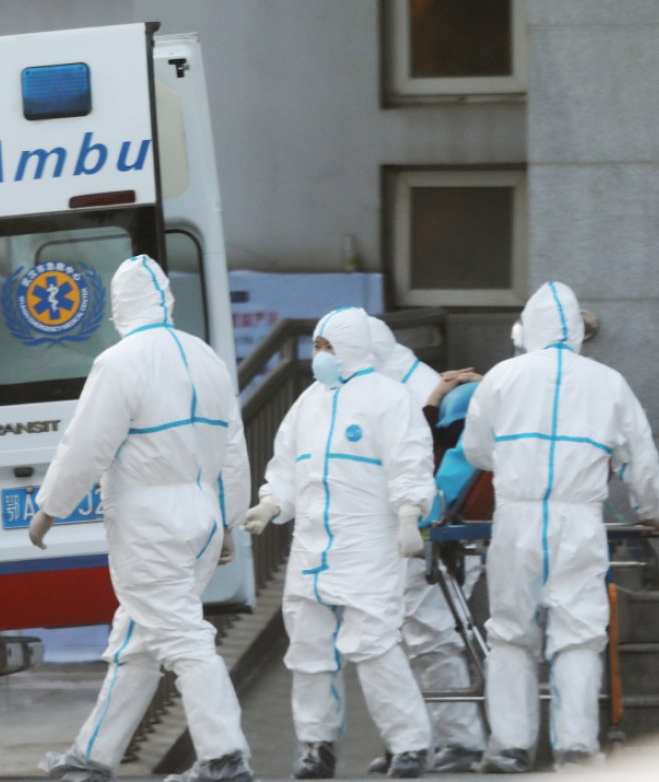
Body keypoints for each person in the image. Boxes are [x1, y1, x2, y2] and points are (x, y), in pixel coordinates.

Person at [30, 255, 254, 782]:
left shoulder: (121, 361)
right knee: (136, 641)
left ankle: (224, 756)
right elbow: (234, 449)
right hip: (200, 516)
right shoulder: (206, 359)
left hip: (150, 523)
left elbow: (86, 443)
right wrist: (228, 521)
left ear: (121, 305)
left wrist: (50, 508)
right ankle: (92, 758)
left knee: (180, 638)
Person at [461, 282, 659, 772]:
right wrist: (651, 509)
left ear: (528, 327)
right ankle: (576, 747)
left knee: (511, 631)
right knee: (577, 632)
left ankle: (510, 745)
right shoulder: (608, 381)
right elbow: (638, 455)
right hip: (578, 519)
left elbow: (475, 448)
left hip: (516, 515)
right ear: (578, 329)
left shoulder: (502, 376)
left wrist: (517, 464)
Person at [242, 307, 434, 779]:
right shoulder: (308, 402)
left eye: (327, 346)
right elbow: (286, 465)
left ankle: (409, 745)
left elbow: (410, 459)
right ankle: (316, 747)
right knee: (308, 650)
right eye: (317, 345)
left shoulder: (389, 398)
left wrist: (410, 512)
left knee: (373, 644)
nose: (319, 355)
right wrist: (270, 504)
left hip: (366, 539)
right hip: (311, 545)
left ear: (350, 346)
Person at [366, 317, 488, 774]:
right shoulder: (412, 385)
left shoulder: (409, 392)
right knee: (413, 639)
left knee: (428, 636)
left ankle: (457, 742)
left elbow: (430, 460)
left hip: (437, 530)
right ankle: (420, 741)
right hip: (426, 529)